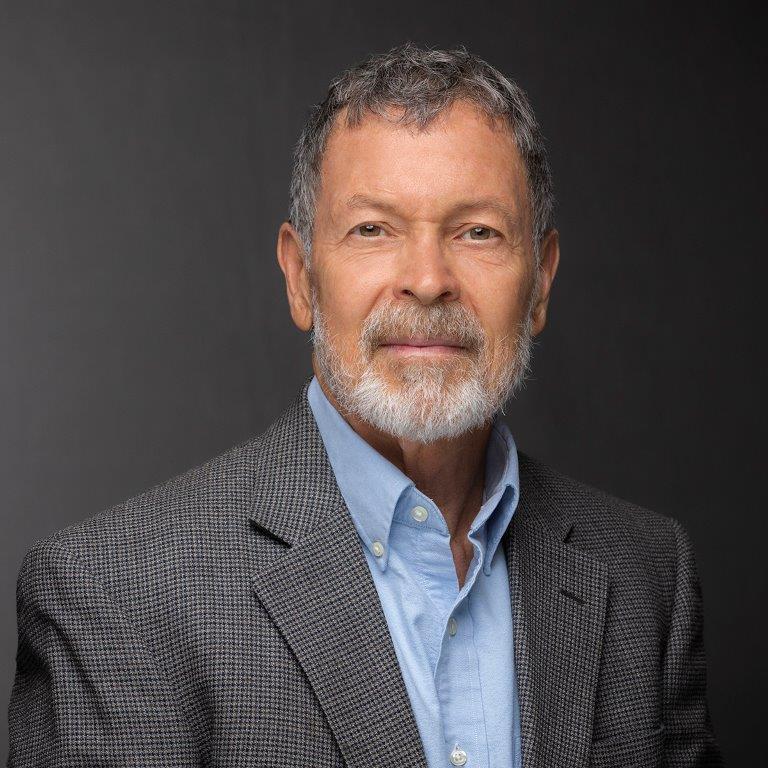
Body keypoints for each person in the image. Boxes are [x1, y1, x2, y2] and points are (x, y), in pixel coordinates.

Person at [8, 42, 723, 767]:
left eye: (477, 231)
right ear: (300, 278)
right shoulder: (116, 595)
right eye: (373, 230)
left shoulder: (645, 574)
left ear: (539, 283)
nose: (427, 279)